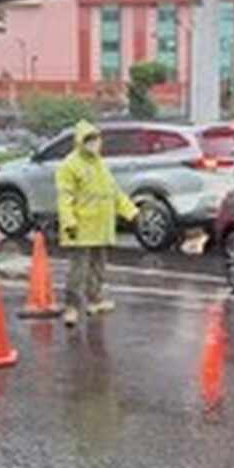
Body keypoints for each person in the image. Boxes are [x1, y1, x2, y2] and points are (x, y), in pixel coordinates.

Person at [55, 121, 138, 327]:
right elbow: (65, 197)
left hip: (101, 226)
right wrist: (69, 223)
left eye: (95, 139)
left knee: (98, 266)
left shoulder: (100, 164)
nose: (93, 144)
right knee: (78, 269)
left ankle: (95, 300)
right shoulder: (70, 165)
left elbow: (114, 193)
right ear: (79, 142)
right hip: (81, 226)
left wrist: (131, 212)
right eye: (88, 140)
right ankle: (71, 307)